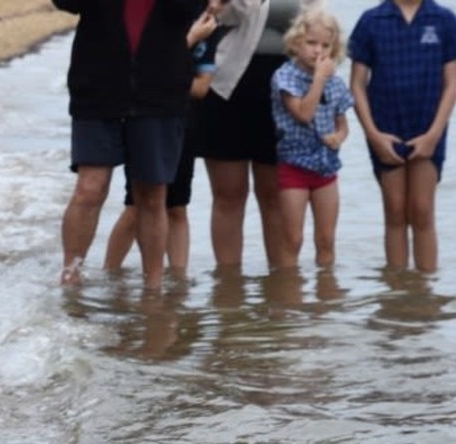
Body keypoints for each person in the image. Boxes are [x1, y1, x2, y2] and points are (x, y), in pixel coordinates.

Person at [54, 0, 205, 290]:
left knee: (151, 195)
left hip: (161, 92)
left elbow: (190, 9)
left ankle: (153, 290)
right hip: (96, 87)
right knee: (90, 188)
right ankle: (70, 278)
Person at [103, 1, 225, 277]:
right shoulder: (169, 18)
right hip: (147, 115)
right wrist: (190, 39)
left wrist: (178, 65)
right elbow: (147, 64)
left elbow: (202, 87)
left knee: (178, 206)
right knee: (136, 205)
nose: (217, 4)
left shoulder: (209, 26)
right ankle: (109, 273)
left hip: (184, 122)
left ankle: (178, 280)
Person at [349, 0, 456, 273]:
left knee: (422, 210)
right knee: (394, 212)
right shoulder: (372, 20)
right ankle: (398, 293)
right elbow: (357, 85)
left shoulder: (444, 19)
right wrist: (372, 134)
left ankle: (425, 292)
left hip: (428, 127)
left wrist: (433, 134)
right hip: (385, 128)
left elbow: (452, 85)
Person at [197, 0, 318, 271]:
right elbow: (222, 14)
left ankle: (280, 286)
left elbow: (318, 28)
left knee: (275, 194)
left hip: (286, 89)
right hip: (227, 85)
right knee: (229, 193)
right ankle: (228, 288)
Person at [270, 8, 351, 268]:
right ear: (296, 43)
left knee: (326, 239)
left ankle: (324, 300)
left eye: (326, 45)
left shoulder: (335, 83)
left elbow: (342, 124)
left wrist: (339, 137)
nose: (319, 51)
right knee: (292, 239)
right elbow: (304, 113)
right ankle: (290, 297)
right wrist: (318, 79)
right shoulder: (284, 76)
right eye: (311, 43)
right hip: (293, 166)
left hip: (326, 167)